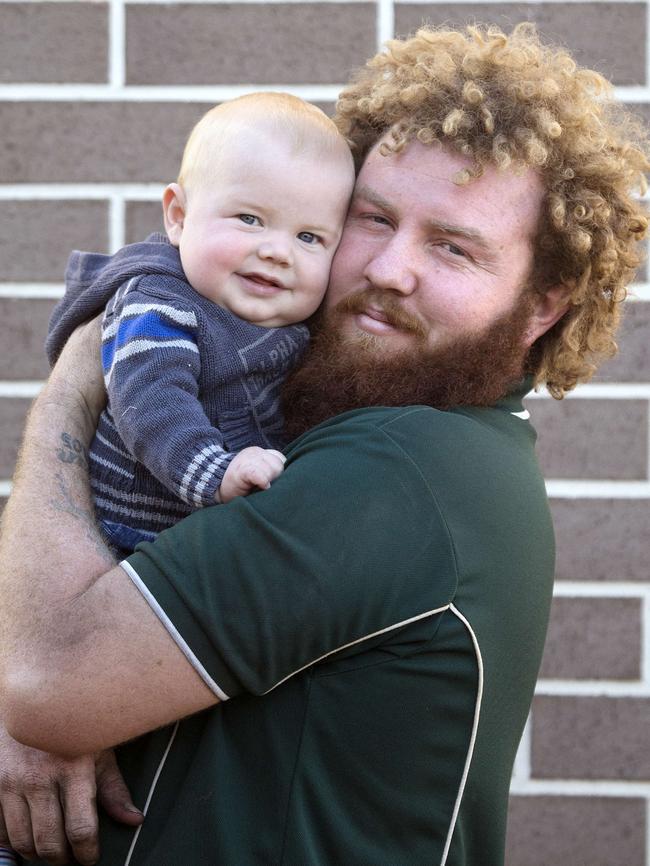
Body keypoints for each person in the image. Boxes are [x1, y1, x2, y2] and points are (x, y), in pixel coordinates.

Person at [0, 22, 648, 866]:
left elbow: (46, 683)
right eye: (371, 220)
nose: (388, 268)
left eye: (452, 247)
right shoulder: (347, 425)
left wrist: (79, 376)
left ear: (542, 306)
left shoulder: (402, 468)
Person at [46, 92, 355, 553]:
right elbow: (151, 402)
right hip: (133, 536)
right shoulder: (158, 305)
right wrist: (217, 473)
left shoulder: (297, 320)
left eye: (308, 236)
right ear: (179, 217)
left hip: (215, 534)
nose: (277, 251)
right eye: (250, 218)